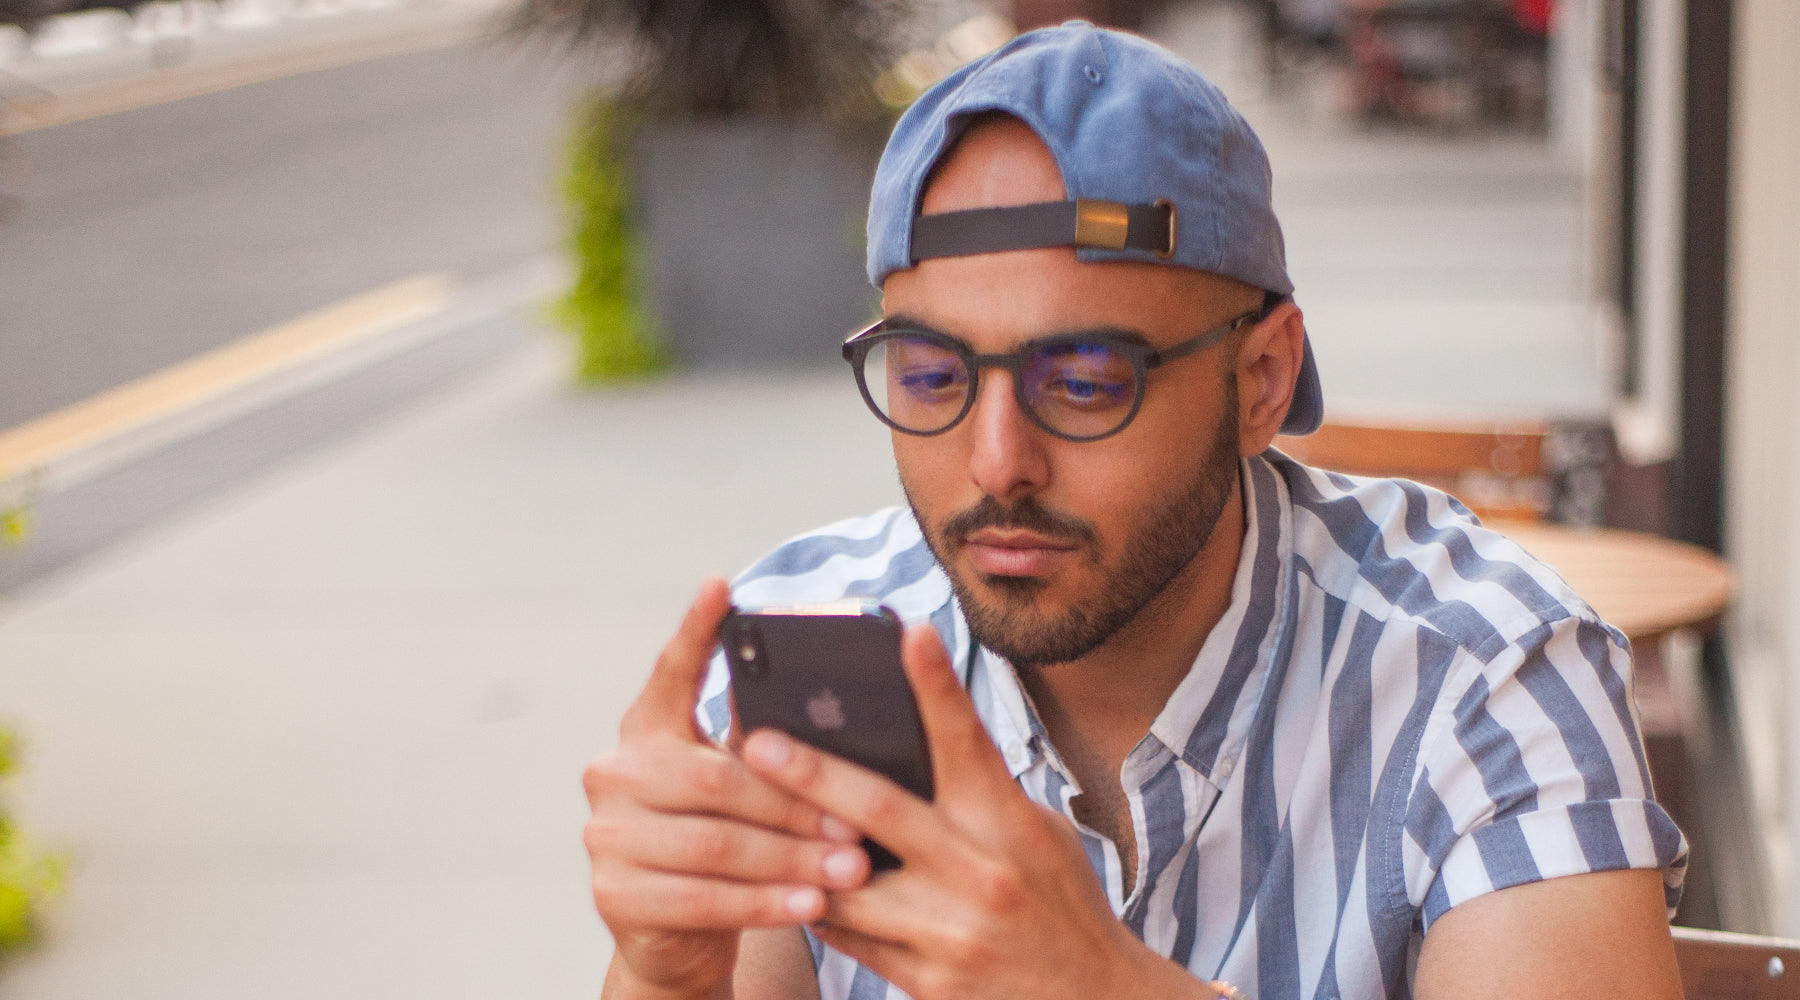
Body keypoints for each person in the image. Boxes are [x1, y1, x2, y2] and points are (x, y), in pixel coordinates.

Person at [582, 22, 1687, 1000]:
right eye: (931, 376)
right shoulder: (806, 644)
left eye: (1084, 382)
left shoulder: (1482, 676)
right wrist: (664, 975)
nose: (997, 464)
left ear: (1261, 381)